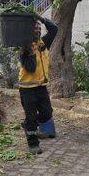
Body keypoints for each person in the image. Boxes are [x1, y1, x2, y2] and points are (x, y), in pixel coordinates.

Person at [18, 16, 58, 154]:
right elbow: (30, 68)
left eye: (39, 27)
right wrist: (31, 50)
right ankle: (33, 144)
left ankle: (29, 123)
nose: (38, 29)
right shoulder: (24, 47)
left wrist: (42, 19)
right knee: (32, 117)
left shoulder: (44, 43)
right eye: (35, 27)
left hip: (41, 87)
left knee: (47, 114)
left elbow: (54, 29)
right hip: (27, 89)